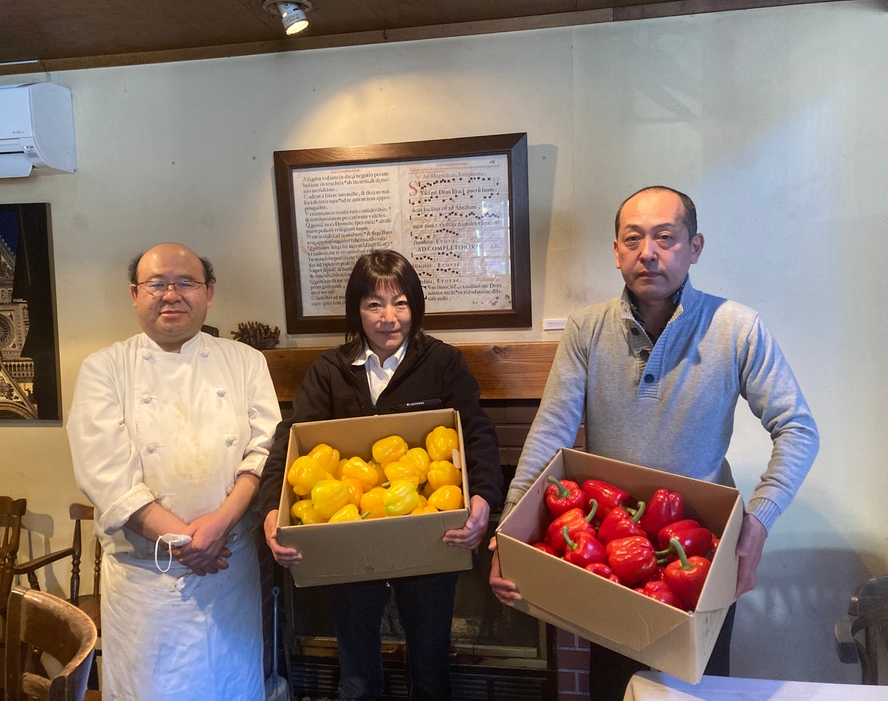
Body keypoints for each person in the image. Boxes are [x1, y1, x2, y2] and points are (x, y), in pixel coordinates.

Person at [488, 186, 820, 701]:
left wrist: (756, 524)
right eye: (634, 238)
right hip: (613, 552)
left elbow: (798, 428)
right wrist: (509, 533)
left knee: (696, 690)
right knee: (615, 686)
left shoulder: (737, 327)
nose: (649, 252)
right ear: (617, 251)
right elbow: (551, 430)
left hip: (699, 551)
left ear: (695, 246)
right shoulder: (586, 330)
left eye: (665, 237)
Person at [260, 249, 502, 701]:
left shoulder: (442, 363)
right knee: (356, 673)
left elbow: (477, 433)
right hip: (351, 539)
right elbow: (289, 442)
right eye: (374, 304)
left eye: (401, 303)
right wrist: (273, 512)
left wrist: (484, 497)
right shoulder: (330, 371)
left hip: (431, 536)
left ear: (416, 307)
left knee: (430, 669)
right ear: (357, 309)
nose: (389, 317)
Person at [67, 243, 281, 701]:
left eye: (186, 283)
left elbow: (265, 452)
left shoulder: (246, 362)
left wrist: (218, 526)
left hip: (229, 570)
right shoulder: (105, 368)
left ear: (209, 293)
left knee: (234, 688)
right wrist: (186, 544)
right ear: (134, 293)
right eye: (157, 284)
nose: (172, 294)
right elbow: (107, 476)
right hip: (147, 585)